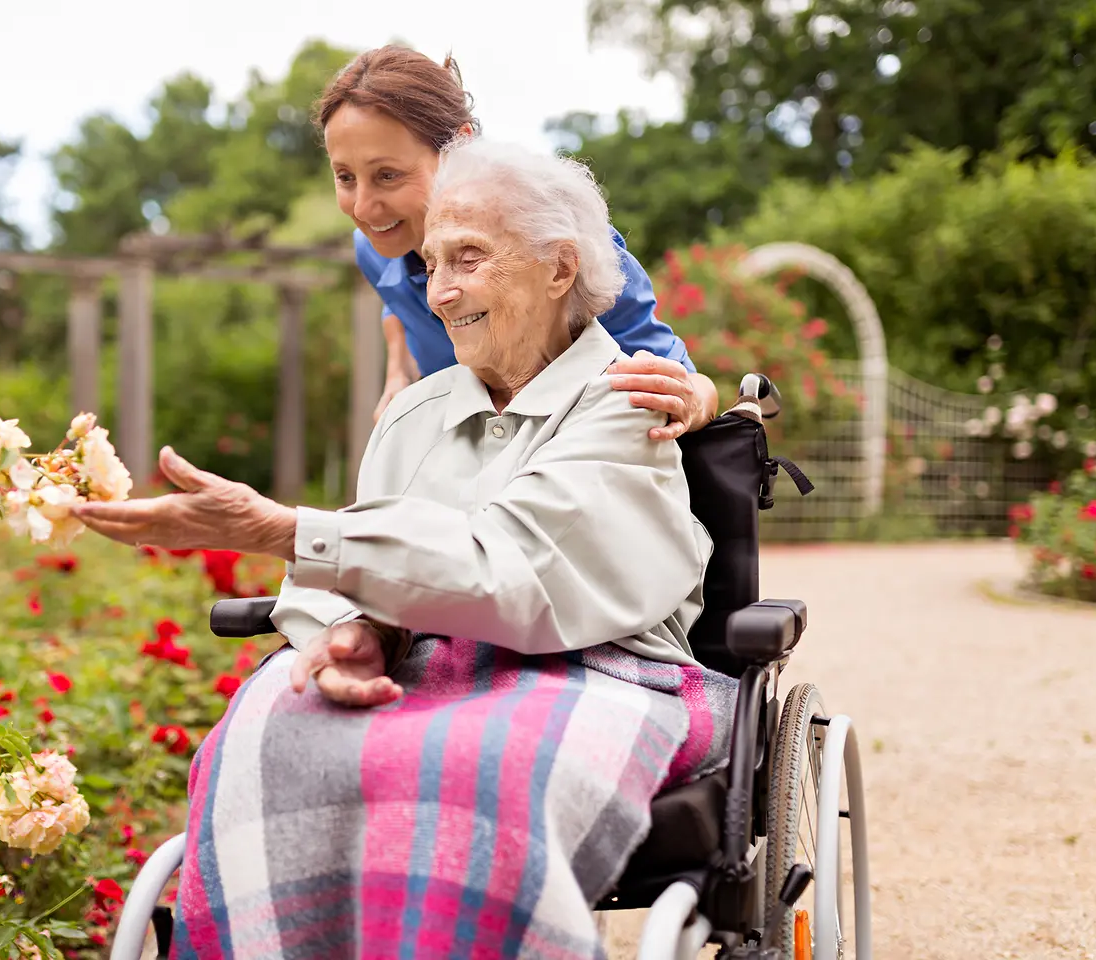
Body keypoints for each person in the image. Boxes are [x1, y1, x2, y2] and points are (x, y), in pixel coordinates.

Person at [72, 137, 738, 960]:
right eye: (432, 264)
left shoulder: (626, 399)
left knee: (468, 776)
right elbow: (365, 563)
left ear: (559, 268)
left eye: (470, 259)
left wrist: (283, 530)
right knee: (259, 740)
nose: (443, 291)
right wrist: (352, 631)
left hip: (598, 665)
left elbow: (510, 570)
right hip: (424, 665)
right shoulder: (414, 412)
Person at [315, 44, 718, 440]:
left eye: (388, 175)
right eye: (346, 177)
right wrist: (399, 372)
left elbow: (689, 383)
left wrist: (691, 404)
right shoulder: (375, 249)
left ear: (459, 144)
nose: (364, 208)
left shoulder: (559, 247)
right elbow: (397, 306)